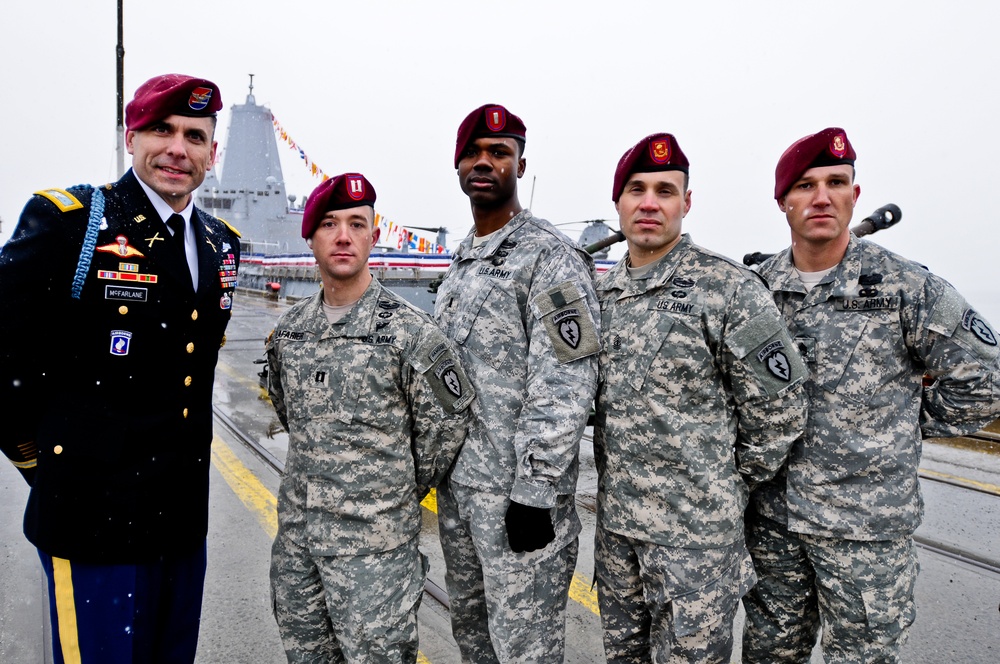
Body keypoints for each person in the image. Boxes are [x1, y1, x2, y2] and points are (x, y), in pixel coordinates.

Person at [0, 74, 240, 663]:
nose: (178, 149)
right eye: (161, 130)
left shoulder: (221, 244)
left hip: (181, 525)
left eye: (195, 135)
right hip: (91, 516)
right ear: (131, 135)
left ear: (212, 152)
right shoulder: (73, 222)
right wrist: (39, 460)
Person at [742, 127, 1000, 663]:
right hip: (773, 526)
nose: (822, 197)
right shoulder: (755, 290)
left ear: (854, 196)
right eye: (806, 186)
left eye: (836, 182)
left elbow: (987, 380)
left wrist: (906, 420)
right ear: (783, 202)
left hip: (865, 532)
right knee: (768, 655)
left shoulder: (907, 288)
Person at [592, 132, 808, 663]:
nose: (649, 203)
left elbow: (781, 405)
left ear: (686, 202)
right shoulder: (600, 295)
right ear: (617, 202)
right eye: (636, 189)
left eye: (665, 191)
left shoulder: (728, 287)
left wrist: (724, 480)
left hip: (696, 541)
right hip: (618, 532)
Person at [267, 172, 474, 663]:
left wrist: (385, 490)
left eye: (357, 224)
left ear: (373, 236)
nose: (344, 236)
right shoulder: (290, 333)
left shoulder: (411, 334)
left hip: (375, 555)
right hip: (300, 544)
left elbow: (446, 428)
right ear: (311, 237)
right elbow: (289, 411)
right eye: (330, 225)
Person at [433, 103, 601, 662]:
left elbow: (566, 378)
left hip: (517, 504)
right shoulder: (463, 260)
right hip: (461, 494)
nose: (485, 163)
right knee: (475, 643)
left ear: (520, 167)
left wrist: (534, 493)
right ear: (458, 166)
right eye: (474, 154)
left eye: (500, 153)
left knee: (524, 651)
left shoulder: (550, 257)